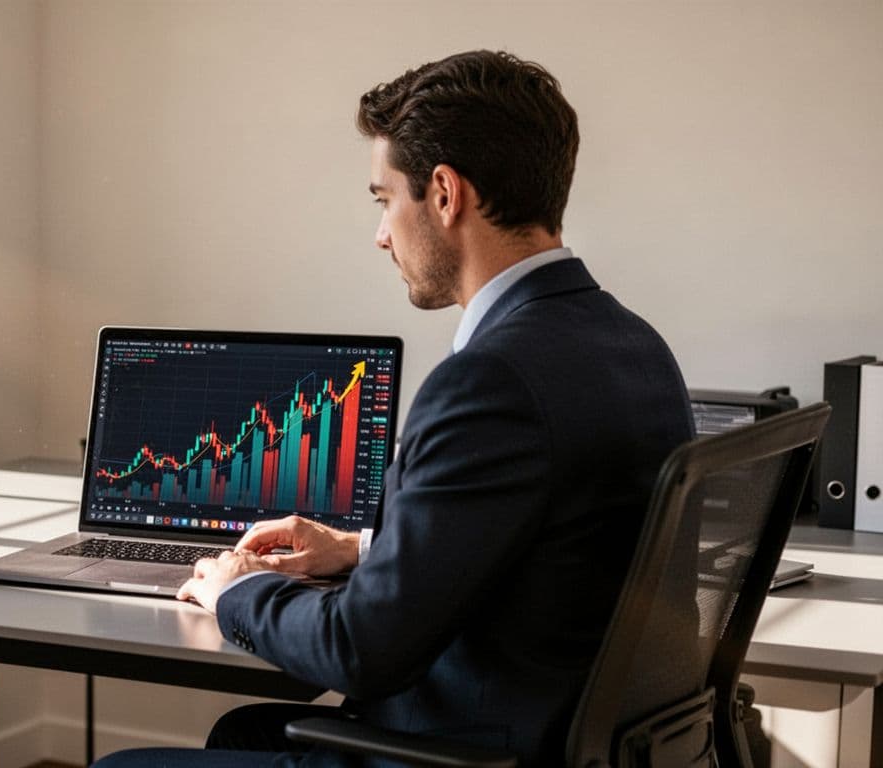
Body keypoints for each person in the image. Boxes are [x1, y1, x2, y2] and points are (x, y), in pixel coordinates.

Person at [95, 50, 693, 767]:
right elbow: (544, 546)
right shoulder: (635, 345)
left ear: (443, 194)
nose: (381, 234)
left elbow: (359, 651)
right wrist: (359, 549)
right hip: (569, 736)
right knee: (241, 733)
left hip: (464, 749)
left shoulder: (490, 381)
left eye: (384, 201)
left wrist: (238, 591)